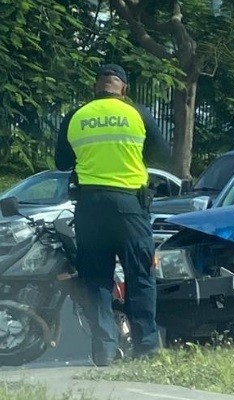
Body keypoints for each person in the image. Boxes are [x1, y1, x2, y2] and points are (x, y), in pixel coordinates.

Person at [55, 64, 171, 366]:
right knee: (141, 276)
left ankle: (104, 351)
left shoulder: (76, 116)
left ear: (96, 87)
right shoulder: (138, 114)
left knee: (96, 280)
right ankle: (146, 347)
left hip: (90, 209)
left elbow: (62, 163)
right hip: (129, 207)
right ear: (124, 89)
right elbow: (161, 154)